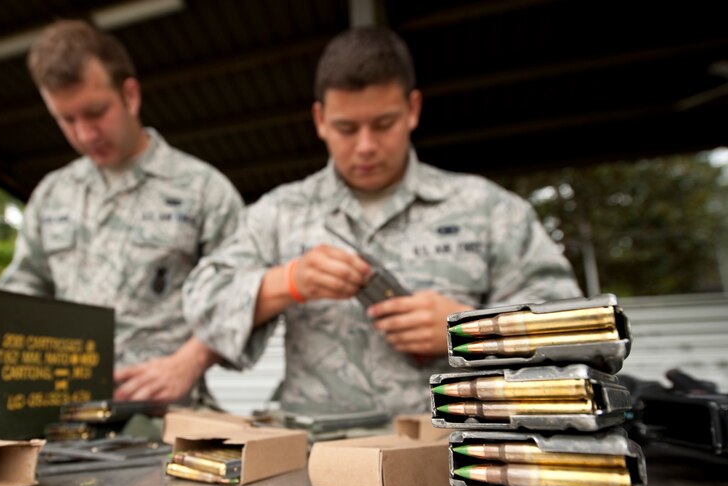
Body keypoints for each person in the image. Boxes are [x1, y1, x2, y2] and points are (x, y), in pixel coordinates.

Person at [182, 26, 581, 417]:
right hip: (318, 459)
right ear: (320, 120)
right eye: (346, 128)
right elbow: (201, 301)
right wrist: (287, 282)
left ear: (413, 109)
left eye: (384, 124)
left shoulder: (487, 209)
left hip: (451, 453)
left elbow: (570, 329)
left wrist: (467, 331)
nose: (366, 146)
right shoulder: (280, 212)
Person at [0, 20, 243, 406]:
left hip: (168, 419)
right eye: (67, 119)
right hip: (64, 417)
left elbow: (242, 295)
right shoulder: (51, 195)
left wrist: (190, 360)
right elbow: (20, 293)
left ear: (130, 95)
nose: (85, 135)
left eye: (96, 112)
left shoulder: (203, 189)